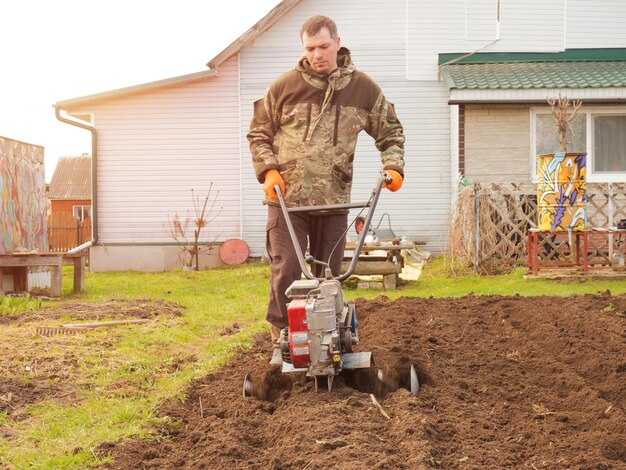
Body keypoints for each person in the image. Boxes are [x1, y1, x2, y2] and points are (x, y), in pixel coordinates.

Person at [247, 15, 405, 364]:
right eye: (309, 48)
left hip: (334, 201)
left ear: (337, 43)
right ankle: (281, 337)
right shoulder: (284, 87)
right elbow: (258, 133)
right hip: (287, 201)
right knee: (287, 268)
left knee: (330, 275)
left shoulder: (363, 89)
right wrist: (269, 171)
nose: (316, 54)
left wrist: (392, 167)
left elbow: (391, 133)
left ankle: (330, 337)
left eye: (322, 46)